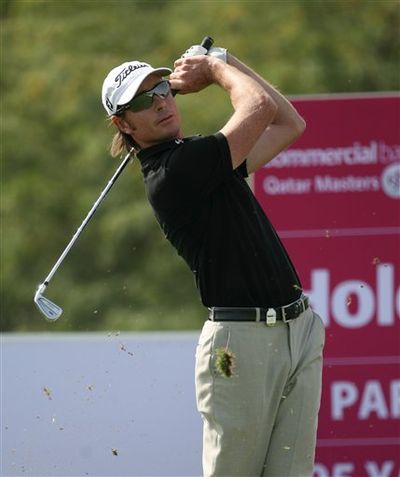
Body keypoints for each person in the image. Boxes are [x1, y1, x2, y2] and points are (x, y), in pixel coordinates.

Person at [101, 43, 325, 477]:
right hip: (239, 345)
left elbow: (289, 123)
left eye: (162, 88)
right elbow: (257, 106)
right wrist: (214, 72)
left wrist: (224, 59)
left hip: (298, 330)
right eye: (143, 101)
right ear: (122, 123)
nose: (161, 102)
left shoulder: (203, 158)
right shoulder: (172, 174)